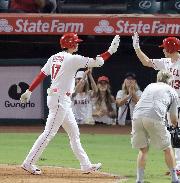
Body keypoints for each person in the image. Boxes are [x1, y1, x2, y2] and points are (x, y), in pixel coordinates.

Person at [19, 32, 120, 175]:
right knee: (49, 133)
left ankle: (86, 165)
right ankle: (28, 162)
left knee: (74, 133)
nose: (78, 43)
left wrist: (29, 90)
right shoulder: (72, 59)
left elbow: (42, 74)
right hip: (60, 99)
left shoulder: (54, 57)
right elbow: (97, 62)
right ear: (70, 44)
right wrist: (110, 51)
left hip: (61, 99)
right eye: (76, 42)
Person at [132, 32, 180, 176]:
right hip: (169, 102)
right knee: (175, 134)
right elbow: (147, 62)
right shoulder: (166, 62)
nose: (163, 49)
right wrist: (137, 48)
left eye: (164, 47)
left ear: (170, 48)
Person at [131, 70, 180, 183]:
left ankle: (139, 180)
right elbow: (173, 120)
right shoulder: (172, 92)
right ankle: (175, 179)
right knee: (167, 149)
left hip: (137, 116)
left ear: (158, 79)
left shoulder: (150, 86)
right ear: (170, 81)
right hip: (154, 117)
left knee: (143, 150)